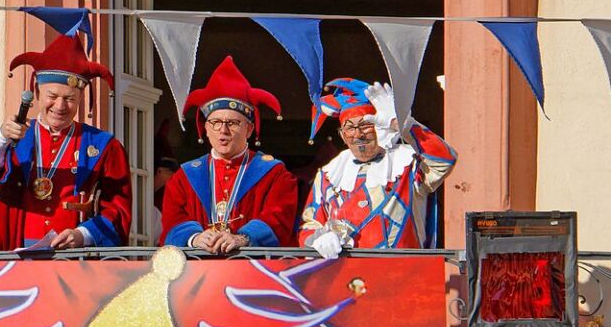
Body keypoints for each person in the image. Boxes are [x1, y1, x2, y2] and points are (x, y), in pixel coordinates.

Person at [0, 33, 132, 250]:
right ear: (37, 93)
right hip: (16, 256)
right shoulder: (16, 137)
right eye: (52, 96)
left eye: (70, 98)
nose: (60, 106)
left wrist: (84, 235)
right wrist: (0, 137)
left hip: (74, 262)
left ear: (80, 99)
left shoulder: (104, 146)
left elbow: (119, 209)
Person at [299, 78, 457, 257]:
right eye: (349, 128)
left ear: (378, 127)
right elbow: (309, 224)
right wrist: (318, 238)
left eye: (365, 125)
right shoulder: (329, 174)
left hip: (404, 274)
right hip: (347, 277)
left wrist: (405, 125)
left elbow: (445, 159)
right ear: (342, 136)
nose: (358, 134)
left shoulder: (407, 163)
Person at [159, 56, 298, 254]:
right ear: (206, 128)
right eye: (215, 123)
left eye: (232, 123)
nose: (223, 130)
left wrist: (243, 237)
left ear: (249, 129)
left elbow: (280, 216)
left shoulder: (274, 174)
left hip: (252, 274)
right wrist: (195, 237)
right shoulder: (185, 176)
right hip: (198, 274)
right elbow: (172, 221)